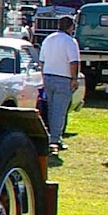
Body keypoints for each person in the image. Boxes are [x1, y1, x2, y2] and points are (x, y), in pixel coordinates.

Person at [39, 16, 81, 152]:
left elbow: (42, 60)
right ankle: (55, 140)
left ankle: (51, 136)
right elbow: (73, 61)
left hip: (48, 75)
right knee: (60, 111)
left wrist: (43, 75)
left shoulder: (49, 39)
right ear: (71, 27)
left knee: (51, 109)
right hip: (63, 77)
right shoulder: (70, 41)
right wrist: (74, 78)